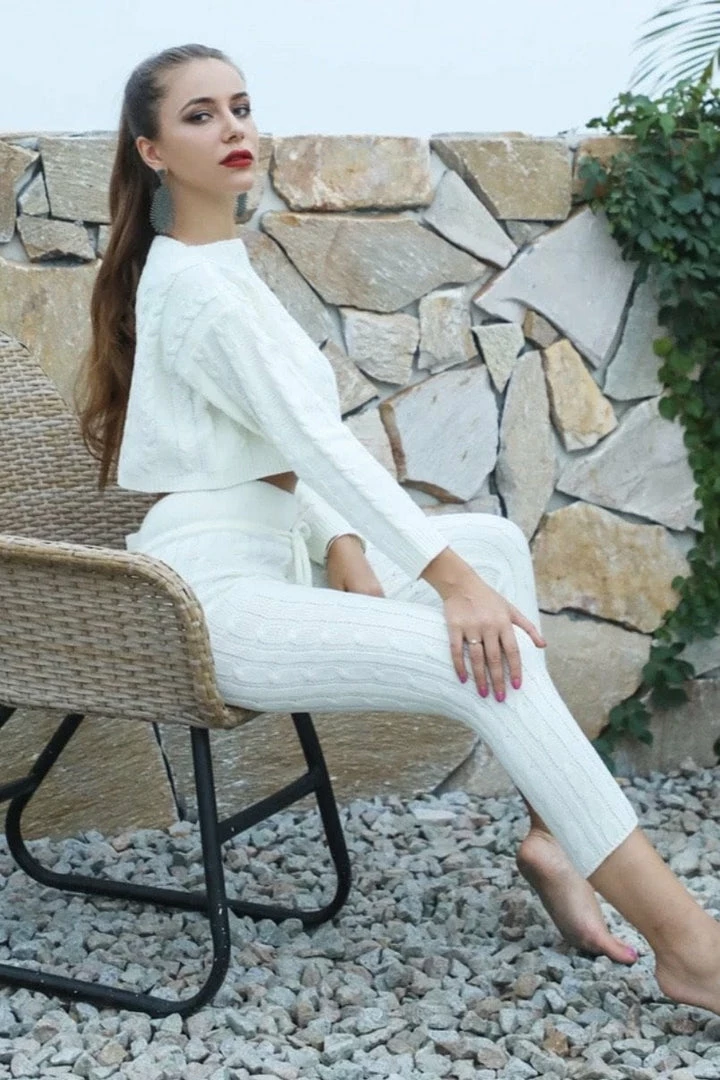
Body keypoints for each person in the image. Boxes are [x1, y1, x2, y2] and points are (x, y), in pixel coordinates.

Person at [76, 42, 720, 1016]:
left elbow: (283, 450)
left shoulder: (223, 262)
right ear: (153, 151)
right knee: (486, 653)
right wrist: (444, 579)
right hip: (207, 600)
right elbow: (317, 445)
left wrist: (345, 544)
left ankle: (554, 840)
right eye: (200, 115)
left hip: (278, 553)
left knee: (495, 546)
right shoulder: (195, 289)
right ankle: (689, 948)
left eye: (241, 105)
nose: (234, 127)